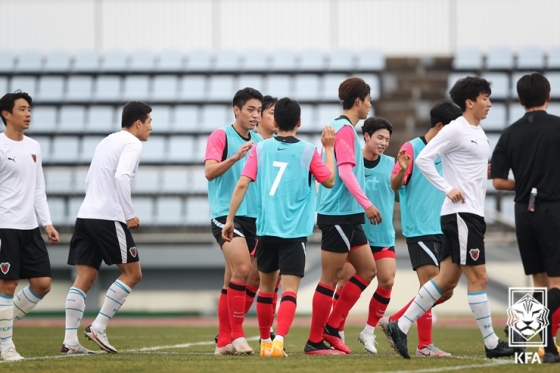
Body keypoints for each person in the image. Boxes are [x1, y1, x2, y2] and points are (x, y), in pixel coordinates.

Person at [382, 76, 515, 359]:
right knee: (479, 278)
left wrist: (483, 173)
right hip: (461, 214)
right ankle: (492, 344)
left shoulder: (478, 131)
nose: (489, 103)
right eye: (485, 98)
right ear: (470, 102)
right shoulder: (455, 129)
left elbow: (467, 166)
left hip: (471, 214)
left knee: (446, 282)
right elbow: (423, 159)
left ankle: (400, 325)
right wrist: (448, 189)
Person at [223, 97, 336, 357]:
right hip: (294, 233)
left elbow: (242, 183)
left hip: (265, 231)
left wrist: (230, 220)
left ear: (275, 121)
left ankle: (264, 341)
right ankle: (279, 340)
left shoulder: (260, 149)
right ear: (299, 122)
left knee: (265, 288)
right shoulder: (308, 151)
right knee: (289, 290)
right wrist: (328, 149)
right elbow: (329, 181)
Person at [61, 101, 152, 355]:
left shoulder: (107, 141)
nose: (151, 128)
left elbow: (91, 177)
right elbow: (122, 176)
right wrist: (129, 214)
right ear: (138, 123)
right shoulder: (133, 143)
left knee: (85, 277)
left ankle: (70, 342)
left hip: (85, 215)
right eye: (149, 122)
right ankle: (98, 326)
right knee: (133, 274)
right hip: (108, 217)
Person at [378, 100, 463, 358]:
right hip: (420, 228)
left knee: (445, 290)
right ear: (439, 126)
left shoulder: (449, 152)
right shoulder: (411, 148)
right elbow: (394, 185)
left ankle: (395, 319)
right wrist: (401, 171)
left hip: (445, 227)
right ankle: (424, 345)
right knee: (429, 283)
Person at [305, 77, 381, 355]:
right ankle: (314, 341)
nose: (370, 104)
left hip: (348, 214)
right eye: (369, 99)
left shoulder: (343, 128)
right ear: (358, 101)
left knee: (367, 270)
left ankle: (332, 326)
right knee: (330, 277)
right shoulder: (345, 130)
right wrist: (368, 204)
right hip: (337, 213)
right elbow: (346, 172)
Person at [491, 72, 560, 364]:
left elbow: (497, 181)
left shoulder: (509, 133)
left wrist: (527, 183)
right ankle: (519, 321)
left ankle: (547, 350)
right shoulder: (558, 127)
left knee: (539, 281)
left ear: (519, 100)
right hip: (553, 209)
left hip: (524, 211)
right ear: (548, 96)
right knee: (556, 284)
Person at [0, 91, 60, 361]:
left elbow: (38, 189)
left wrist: (46, 223)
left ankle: (3, 329)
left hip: (30, 227)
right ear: (6, 114)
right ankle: (6, 347)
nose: (28, 114)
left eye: (29, 109)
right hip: (5, 225)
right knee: (8, 284)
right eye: (22, 109)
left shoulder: (34, 146)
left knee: (42, 283)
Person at [205, 87, 263, 355]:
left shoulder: (260, 141)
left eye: (259, 111)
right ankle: (238, 336)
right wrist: (235, 157)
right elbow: (209, 171)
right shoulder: (221, 135)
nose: (255, 115)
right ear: (236, 110)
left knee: (232, 281)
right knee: (242, 270)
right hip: (225, 215)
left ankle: (223, 342)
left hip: (254, 217)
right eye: (251, 109)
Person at [334, 117, 396, 354]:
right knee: (345, 284)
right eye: (380, 137)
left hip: (382, 235)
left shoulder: (392, 163)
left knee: (387, 281)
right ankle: (337, 330)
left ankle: (368, 331)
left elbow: (400, 188)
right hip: (356, 235)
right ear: (367, 136)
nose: (384, 143)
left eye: (387, 139)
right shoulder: (352, 162)